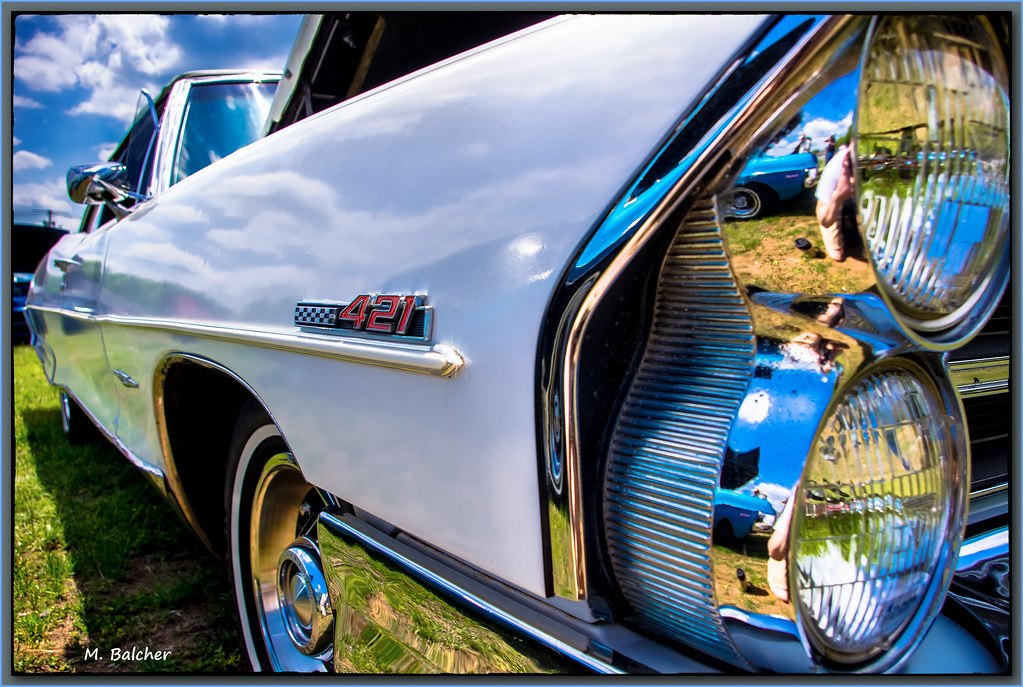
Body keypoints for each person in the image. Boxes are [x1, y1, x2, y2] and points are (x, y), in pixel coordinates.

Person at [815, 145, 856, 261]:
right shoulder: (838, 165)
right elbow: (824, 220)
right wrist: (838, 195)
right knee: (836, 254)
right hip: (836, 202)